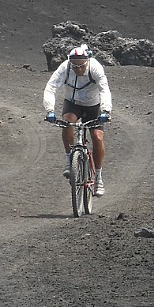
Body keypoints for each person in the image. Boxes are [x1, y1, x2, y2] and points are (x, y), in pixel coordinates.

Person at [42, 44, 112, 196]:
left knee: (97, 137)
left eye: (82, 66)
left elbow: (104, 89)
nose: (79, 69)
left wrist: (106, 110)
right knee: (67, 122)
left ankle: (98, 178)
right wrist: (49, 110)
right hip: (73, 104)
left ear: (87, 62)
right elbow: (51, 87)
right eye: (75, 67)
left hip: (93, 106)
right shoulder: (65, 68)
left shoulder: (96, 68)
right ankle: (69, 159)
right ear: (70, 63)